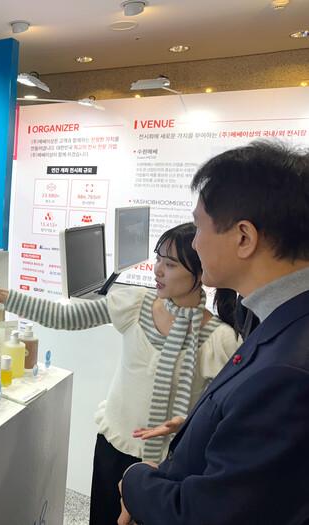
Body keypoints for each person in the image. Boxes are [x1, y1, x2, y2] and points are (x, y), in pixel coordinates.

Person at [0, 222, 241, 525]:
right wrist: (4, 296)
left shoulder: (220, 339)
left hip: (168, 464)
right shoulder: (136, 304)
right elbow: (65, 316)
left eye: (170, 264)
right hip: (113, 446)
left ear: (200, 273)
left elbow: (226, 417)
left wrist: (187, 424)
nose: (158, 270)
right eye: (158, 259)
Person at [118, 141, 309, 525]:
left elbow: (208, 514)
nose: (195, 243)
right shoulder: (271, 316)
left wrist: (136, 480)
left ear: (244, 238)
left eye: (200, 227)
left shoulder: (286, 369)